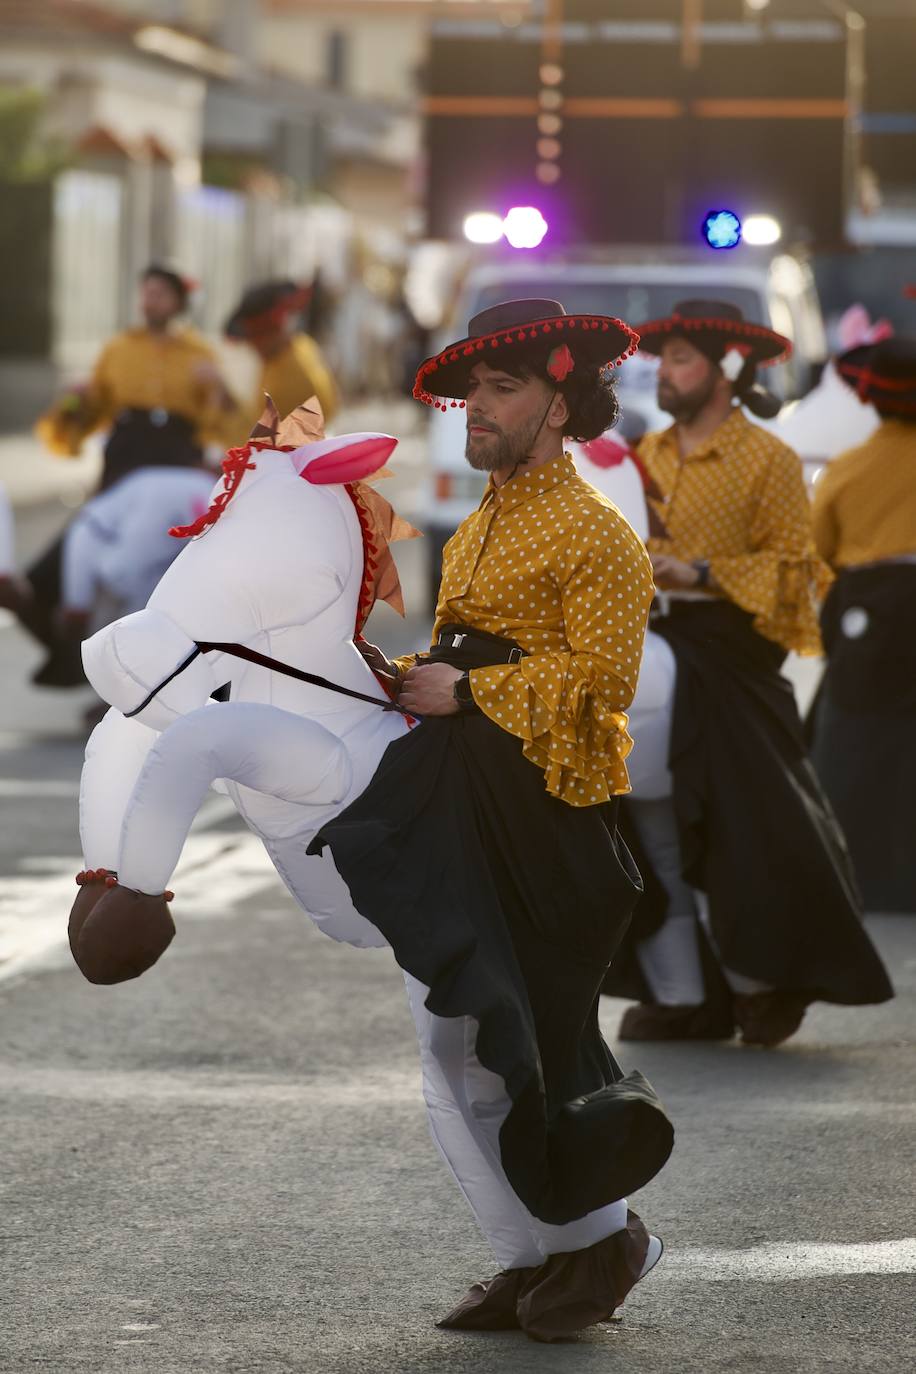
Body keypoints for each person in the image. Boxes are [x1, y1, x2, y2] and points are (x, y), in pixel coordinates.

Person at [308, 299, 673, 1343]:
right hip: (471, 800)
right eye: (471, 391)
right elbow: (465, 658)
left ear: (561, 402)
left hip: (548, 822)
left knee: (510, 1043)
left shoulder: (597, 531)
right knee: (455, 1041)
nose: (475, 408)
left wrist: (467, 692)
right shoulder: (481, 518)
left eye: (500, 390)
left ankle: (607, 1241)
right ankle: (534, 1257)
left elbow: (607, 680)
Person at [604, 299, 893, 1047]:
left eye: (679, 360)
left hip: (731, 657)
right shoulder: (645, 458)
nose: (661, 372)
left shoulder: (768, 459)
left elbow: (798, 574)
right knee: (642, 827)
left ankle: (763, 984)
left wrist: (697, 571)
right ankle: (682, 995)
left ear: (727, 367)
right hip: (653, 646)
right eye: (660, 358)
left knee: (751, 826)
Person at [22, 264, 241, 686]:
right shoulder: (118, 350)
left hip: (177, 481)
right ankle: (77, 663)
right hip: (121, 475)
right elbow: (85, 415)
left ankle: (162, 684)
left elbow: (225, 427)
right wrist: (73, 402)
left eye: (160, 293)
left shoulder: (200, 355)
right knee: (46, 578)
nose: (151, 301)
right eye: (146, 293)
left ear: (178, 301)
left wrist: (220, 392)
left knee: (168, 588)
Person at [809, 336, 916, 912]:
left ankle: (859, 871)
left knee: (853, 740)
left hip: (867, 616)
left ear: (870, 400)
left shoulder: (847, 470)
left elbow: (818, 551)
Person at [223, 279, 338, 436]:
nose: (252, 346)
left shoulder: (290, 376)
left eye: (256, 338)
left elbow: (258, 436)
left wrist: (227, 399)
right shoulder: (300, 345)